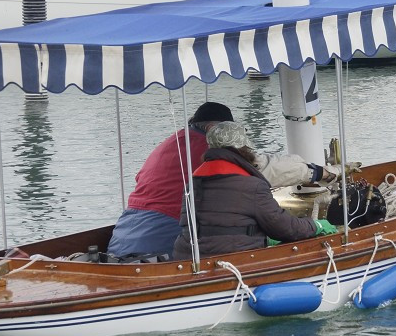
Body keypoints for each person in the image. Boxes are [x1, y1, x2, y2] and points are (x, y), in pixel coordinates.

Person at [107, 102, 337, 259]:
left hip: (124, 231)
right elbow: (269, 168)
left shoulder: (172, 143)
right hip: (163, 232)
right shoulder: (208, 149)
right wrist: (319, 173)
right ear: (214, 129)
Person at [173, 122, 337, 260]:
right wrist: (315, 225)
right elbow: (285, 228)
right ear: (243, 150)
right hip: (235, 259)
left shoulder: (192, 183)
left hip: (188, 256)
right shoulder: (251, 185)